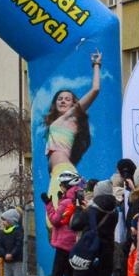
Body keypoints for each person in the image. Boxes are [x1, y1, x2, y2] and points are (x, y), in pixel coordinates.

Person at [42, 51, 102, 197]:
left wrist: (96, 64)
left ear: (74, 104)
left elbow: (95, 90)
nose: (63, 101)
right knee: (60, 214)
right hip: (58, 172)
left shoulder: (71, 116)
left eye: (67, 99)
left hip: (63, 171)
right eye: (60, 98)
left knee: (61, 213)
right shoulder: (57, 122)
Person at [71, 185, 117, 276]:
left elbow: (75, 224)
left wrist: (79, 209)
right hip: (107, 252)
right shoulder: (114, 211)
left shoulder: (91, 210)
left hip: (92, 252)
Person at [44, 172, 84, 276]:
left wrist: (48, 204)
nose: (60, 187)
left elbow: (55, 220)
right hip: (73, 242)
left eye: (61, 184)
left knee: (57, 275)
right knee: (70, 275)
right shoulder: (77, 199)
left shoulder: (66, 202)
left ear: (66, 186)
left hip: (63, 243)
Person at [0, 208, 26, 276]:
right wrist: (4, 254)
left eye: (4, 220)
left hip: (16, 259)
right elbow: (0, 245)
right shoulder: (3, 232)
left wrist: (12, 254)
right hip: (7, 259)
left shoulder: (18, 231)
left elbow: (18, 245)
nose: (3, 222)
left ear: (10, 220)